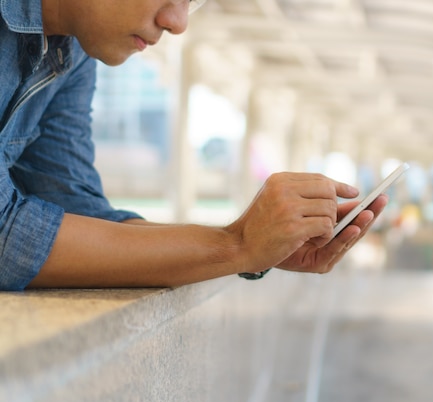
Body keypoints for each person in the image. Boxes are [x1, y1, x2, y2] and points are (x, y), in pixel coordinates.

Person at [0, 0, 388, 291]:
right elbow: (7, 237)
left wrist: (257, 241)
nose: (178, 22)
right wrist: (233, 246)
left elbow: (78, 210)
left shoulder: (72, 48)